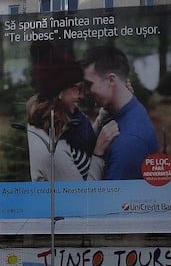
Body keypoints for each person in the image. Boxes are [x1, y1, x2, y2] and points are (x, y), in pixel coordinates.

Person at [25, 47, 117, 182]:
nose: (82, 95)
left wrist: (106, 111)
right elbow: (80, 193)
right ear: (58, 92)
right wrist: (98, 154)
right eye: (77, 89)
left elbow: (82, 144)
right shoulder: (53, 151)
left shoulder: (60, 118)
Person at [81, 45, 159, 181]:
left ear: (111, 80)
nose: (85, 92)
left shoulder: (127, 143)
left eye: (88, 85)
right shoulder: (131, 108)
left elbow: (110, 195)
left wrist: (97, 155)